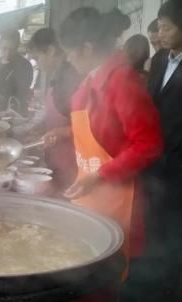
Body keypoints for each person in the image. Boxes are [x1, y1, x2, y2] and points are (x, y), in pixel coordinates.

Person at [58, 7, 163, 299]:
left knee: (105, 279)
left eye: (70, 52)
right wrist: (62, 135)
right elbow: (98, 130)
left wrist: (101, 174)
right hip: (91, 196)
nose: (67, 58)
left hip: (119, 201)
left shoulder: (123, 82)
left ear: (88, 47)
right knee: (83, 269)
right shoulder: (90, 80)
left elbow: (148, 144)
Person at [143, 1, 182, 301]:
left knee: (173, 225)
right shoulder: (157, 61)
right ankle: (150, 278)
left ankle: (167, 287)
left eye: (168, 27)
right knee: (152, 220)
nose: (161, 33)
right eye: (160, 26)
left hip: (178, 162)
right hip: (153, 158)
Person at [27, 28, 81, 192]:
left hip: (72, 164)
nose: (37, 63)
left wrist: (62, 133)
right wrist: (37, 128)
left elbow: (92, 126)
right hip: (57, 161)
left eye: (37, 57)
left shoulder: (72, 77)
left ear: (50, 51)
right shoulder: (58, 76)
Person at [0, 30, 33, 115]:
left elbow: (22, 92)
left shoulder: (25, 66)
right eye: (4, 48)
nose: (7, 53)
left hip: (17, 113)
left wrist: (3, 98)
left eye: (12, 49)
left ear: (17, 47)